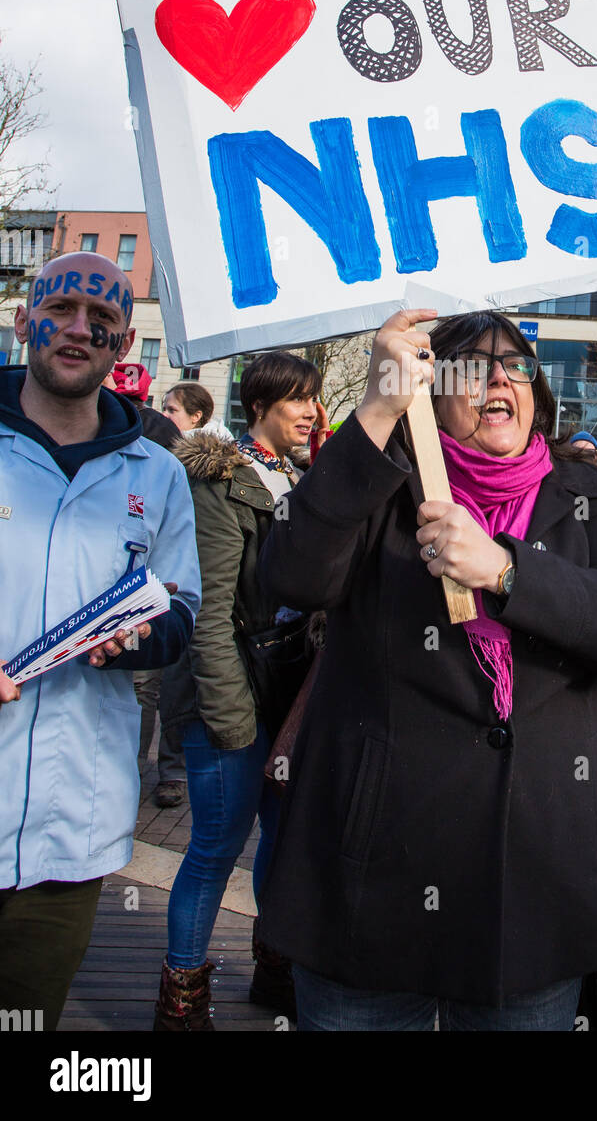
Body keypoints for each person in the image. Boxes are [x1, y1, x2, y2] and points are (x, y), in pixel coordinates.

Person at [255, 308, 597, 1031]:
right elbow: (294, 574)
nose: (501, 377)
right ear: (428, 388)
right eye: (473, 365)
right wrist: (376, 406)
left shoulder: (582, 488)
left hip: (534, 881)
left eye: (517, 364)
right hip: (376, 874)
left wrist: (506, 571)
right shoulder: (381, 478)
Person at [0, 252, 201, 1030]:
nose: (80, 328)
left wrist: (145, 635)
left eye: (104, 322)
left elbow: (181, 606)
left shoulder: (158, 475)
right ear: (25, 321)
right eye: (63, 309)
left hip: (68, 833)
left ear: (122, 347)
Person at [153, 351, 329, 1030]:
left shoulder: (305, 478)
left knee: (282, 846)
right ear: (259, 409)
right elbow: (211, 614)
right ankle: (183, 996)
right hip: (234, 698)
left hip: (286, 692)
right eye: (297, 402)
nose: (311, 413)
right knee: (216, 848)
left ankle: (273, 968)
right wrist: (234, 723)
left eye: (313, 400)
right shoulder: (221, 485)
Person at [105, 362, 188, 806]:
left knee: (150, 688)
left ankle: (146, 771)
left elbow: (185, 592)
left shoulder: (161, 447)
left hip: (143, 612)